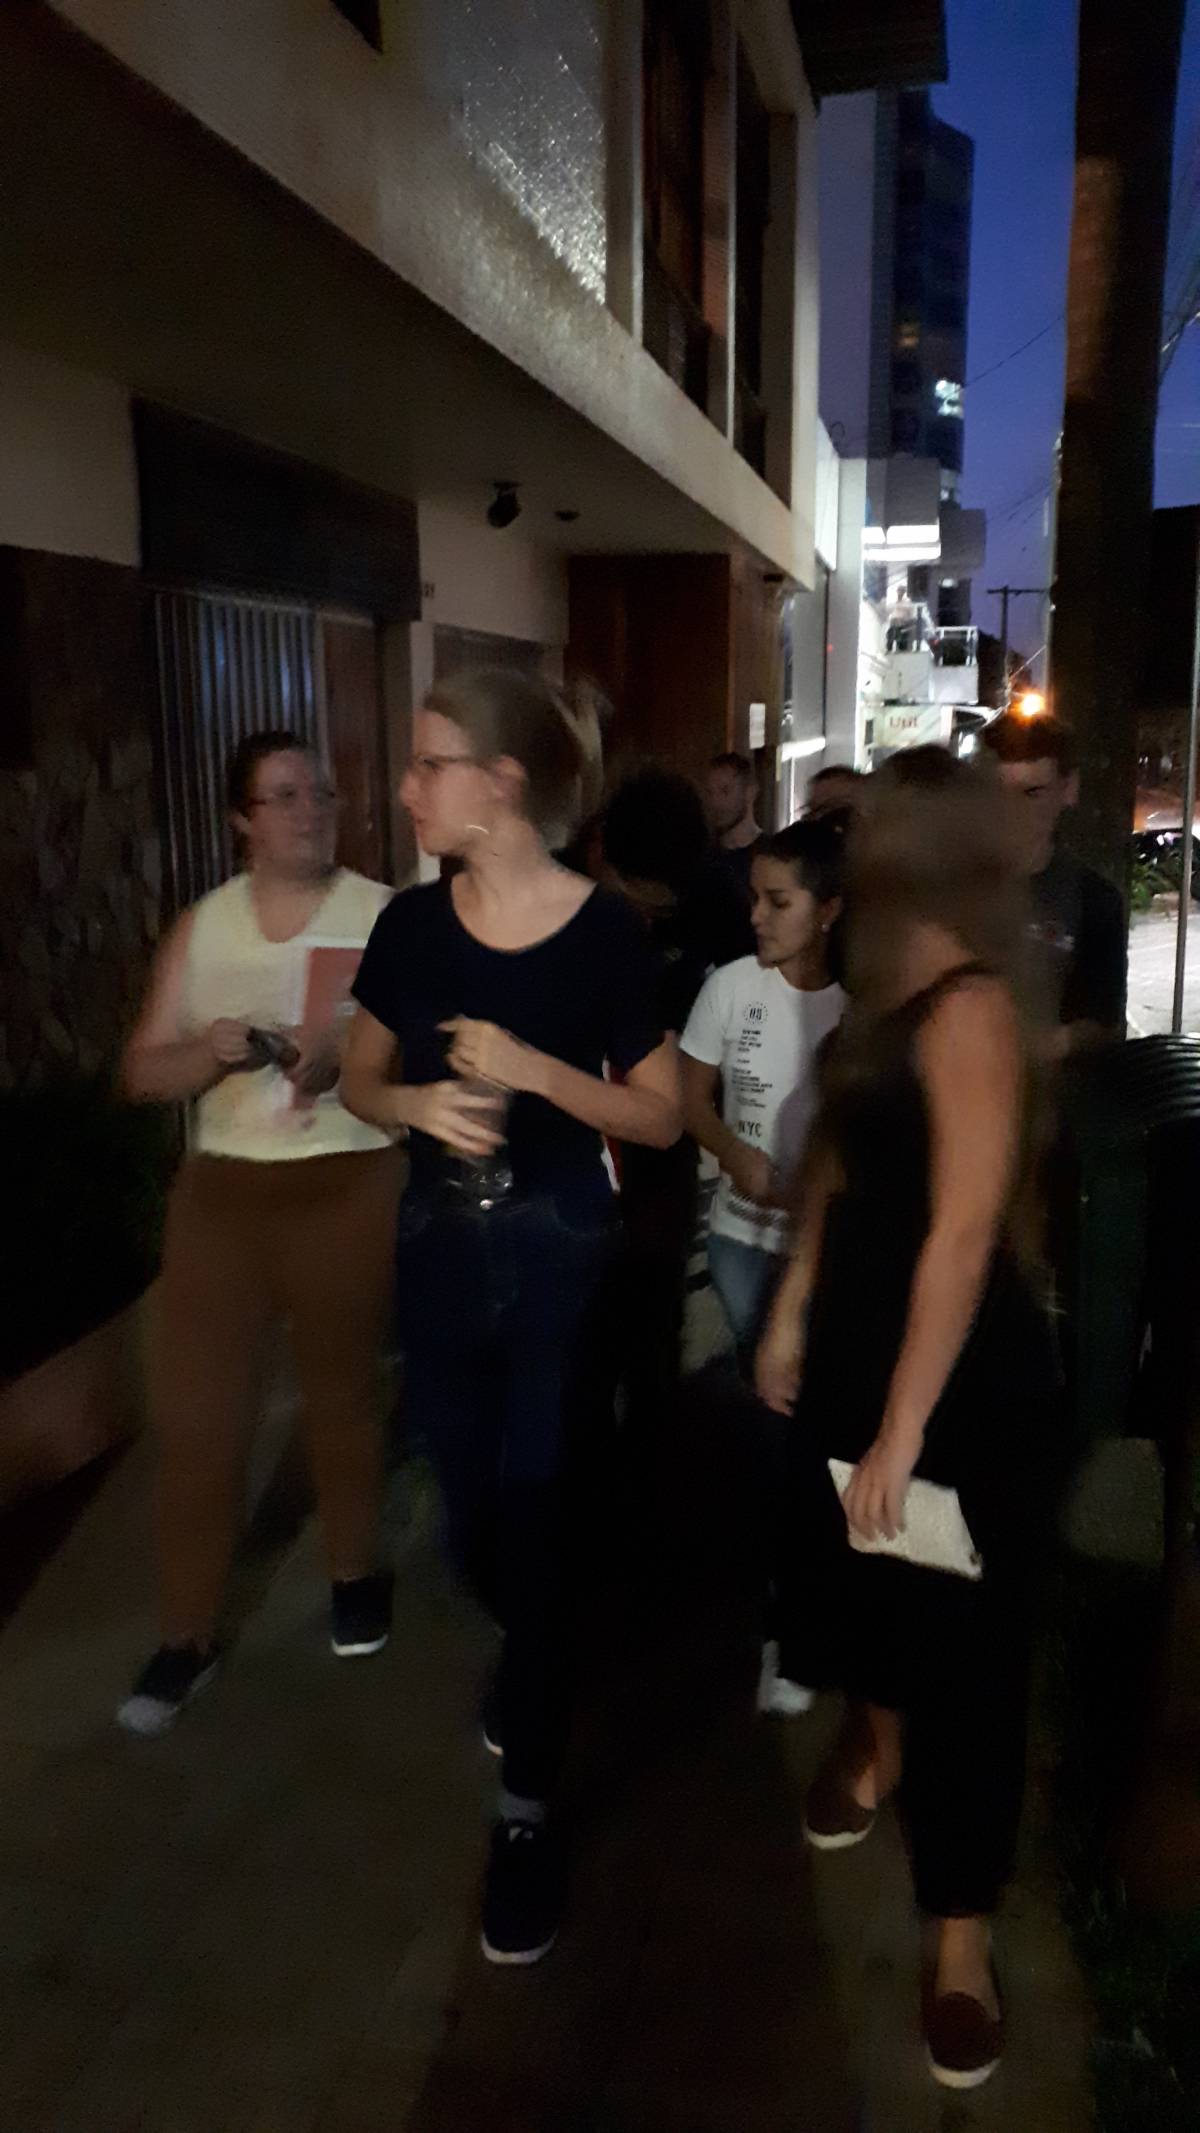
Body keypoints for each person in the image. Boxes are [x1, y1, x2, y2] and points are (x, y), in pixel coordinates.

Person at [341, 669, 681, 1968]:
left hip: (555, 1251)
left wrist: (535, 1070)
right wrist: (415, 1106)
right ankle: (536, 1634)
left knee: (535, 1521)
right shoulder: (411, 926)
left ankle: (527, 1811)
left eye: (430, 764)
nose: (406, 788)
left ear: (502, 784)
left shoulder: (604, 936)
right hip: (437, 1245)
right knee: (472, 1516)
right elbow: (362, 1077)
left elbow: (658, 1116)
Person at [757, 750, 1059, 2091]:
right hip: (858, 1349)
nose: (849, 837)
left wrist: (901, 1429)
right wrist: (792, 1304)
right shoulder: (884, 983)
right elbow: (836, 1164)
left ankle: (960, 1939)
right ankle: (878, 1753)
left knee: (970, 1661)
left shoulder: (972, 1005)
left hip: (955, 1381)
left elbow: (963, 1233)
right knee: (868, 1599)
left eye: (869, 824)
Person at [117, 733, 403, 1738]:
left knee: (342, 1394)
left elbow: (427, 1048)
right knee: (199, 1418)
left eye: (320, 790)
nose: (310, 809)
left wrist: (349, 1055)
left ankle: (353, 1571)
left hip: (347, 1176)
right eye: (283, 796)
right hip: (224, 1194)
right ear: (242, 818)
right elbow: (141, 1070)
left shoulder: (385, 914)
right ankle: (185, 1632)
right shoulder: (205, 926)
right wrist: (207, 1052)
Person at [681, 816, 846, 1719]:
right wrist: (730, 1152)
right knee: (778, 1418)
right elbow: (689, 1095)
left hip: (824, 1255)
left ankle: (804, 1607)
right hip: (742, 1240)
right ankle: (787, 1612)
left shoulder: (858, 1006)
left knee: (806, 1427)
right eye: (755, 898)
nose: (757, 917)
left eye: (778, 901)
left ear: (830, 909)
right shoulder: (728, 987)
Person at [594, 767, 749, 1439]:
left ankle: (651, 1447)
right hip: (578, 1119)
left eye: (663, 910)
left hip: (668, 1125)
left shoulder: (714, 894)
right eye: (639, 903)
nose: (651, 920)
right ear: (603, 857)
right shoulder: (560, 890)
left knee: (657, 1300)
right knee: (582, 1315)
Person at [980, 712, 1125, 1056]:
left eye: (1032, 793)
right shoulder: (949, 886)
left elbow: (1101, 1019)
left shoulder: (1094, 901)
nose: (1012, 810)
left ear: (1068, 789)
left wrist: (1043, 1047)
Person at [704, 749, 762, 908]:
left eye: (725, 791)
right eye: (710, 793)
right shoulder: (702, 856)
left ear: (750, 792)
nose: (715, 802)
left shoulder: (770, 854)